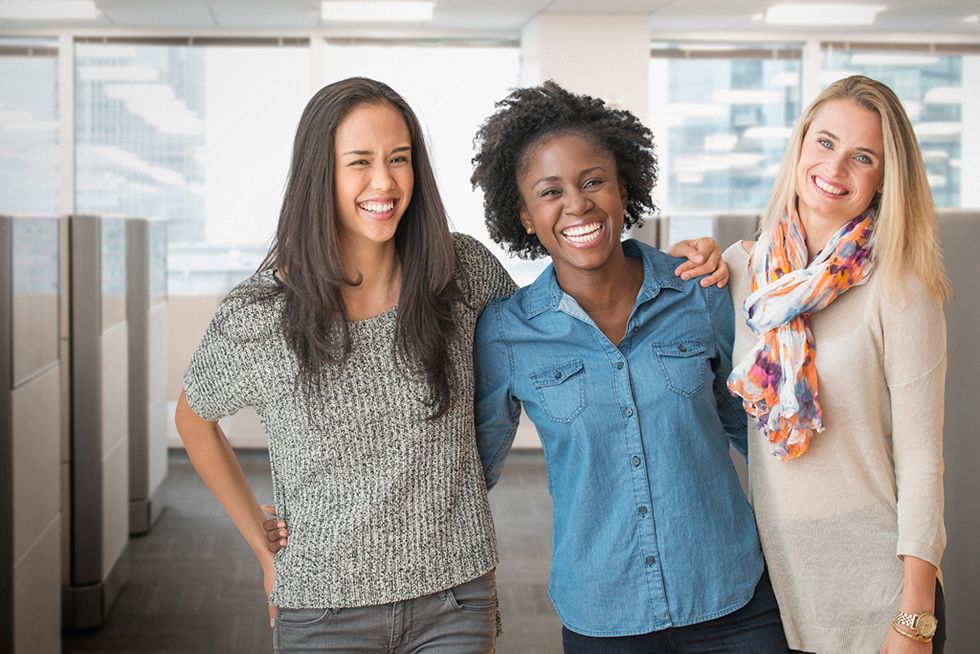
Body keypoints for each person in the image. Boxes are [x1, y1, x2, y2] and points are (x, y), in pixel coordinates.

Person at [179, 76, 721, 654]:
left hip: (454, 601)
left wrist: (670, 266)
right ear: (321, 174)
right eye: (359, 162)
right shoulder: (263, 313)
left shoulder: (459, 272)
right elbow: (194, 419)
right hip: (321, 608)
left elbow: (554, 321)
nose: (384, 182)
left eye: (399, 159)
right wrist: (263, 549)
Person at [468, 81, 788, 653]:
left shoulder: (699, 291)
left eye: (593, 181)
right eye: (550, 191)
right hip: (604, 613)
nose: (577, 204)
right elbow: (469, 470)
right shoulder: (508, 332)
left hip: (732, 597)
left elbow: (756, 435)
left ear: (623, 189)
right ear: (524, 215)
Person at [723, 75, 949, 654]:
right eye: (825, 143)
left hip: (880, 591)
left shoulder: (898, 285)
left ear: (883, 178)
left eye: (862, 156)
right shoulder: (741, 273)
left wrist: (914, 618)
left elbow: (922, 460)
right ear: (800, 146)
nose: (836, 167)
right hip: (778, 592)